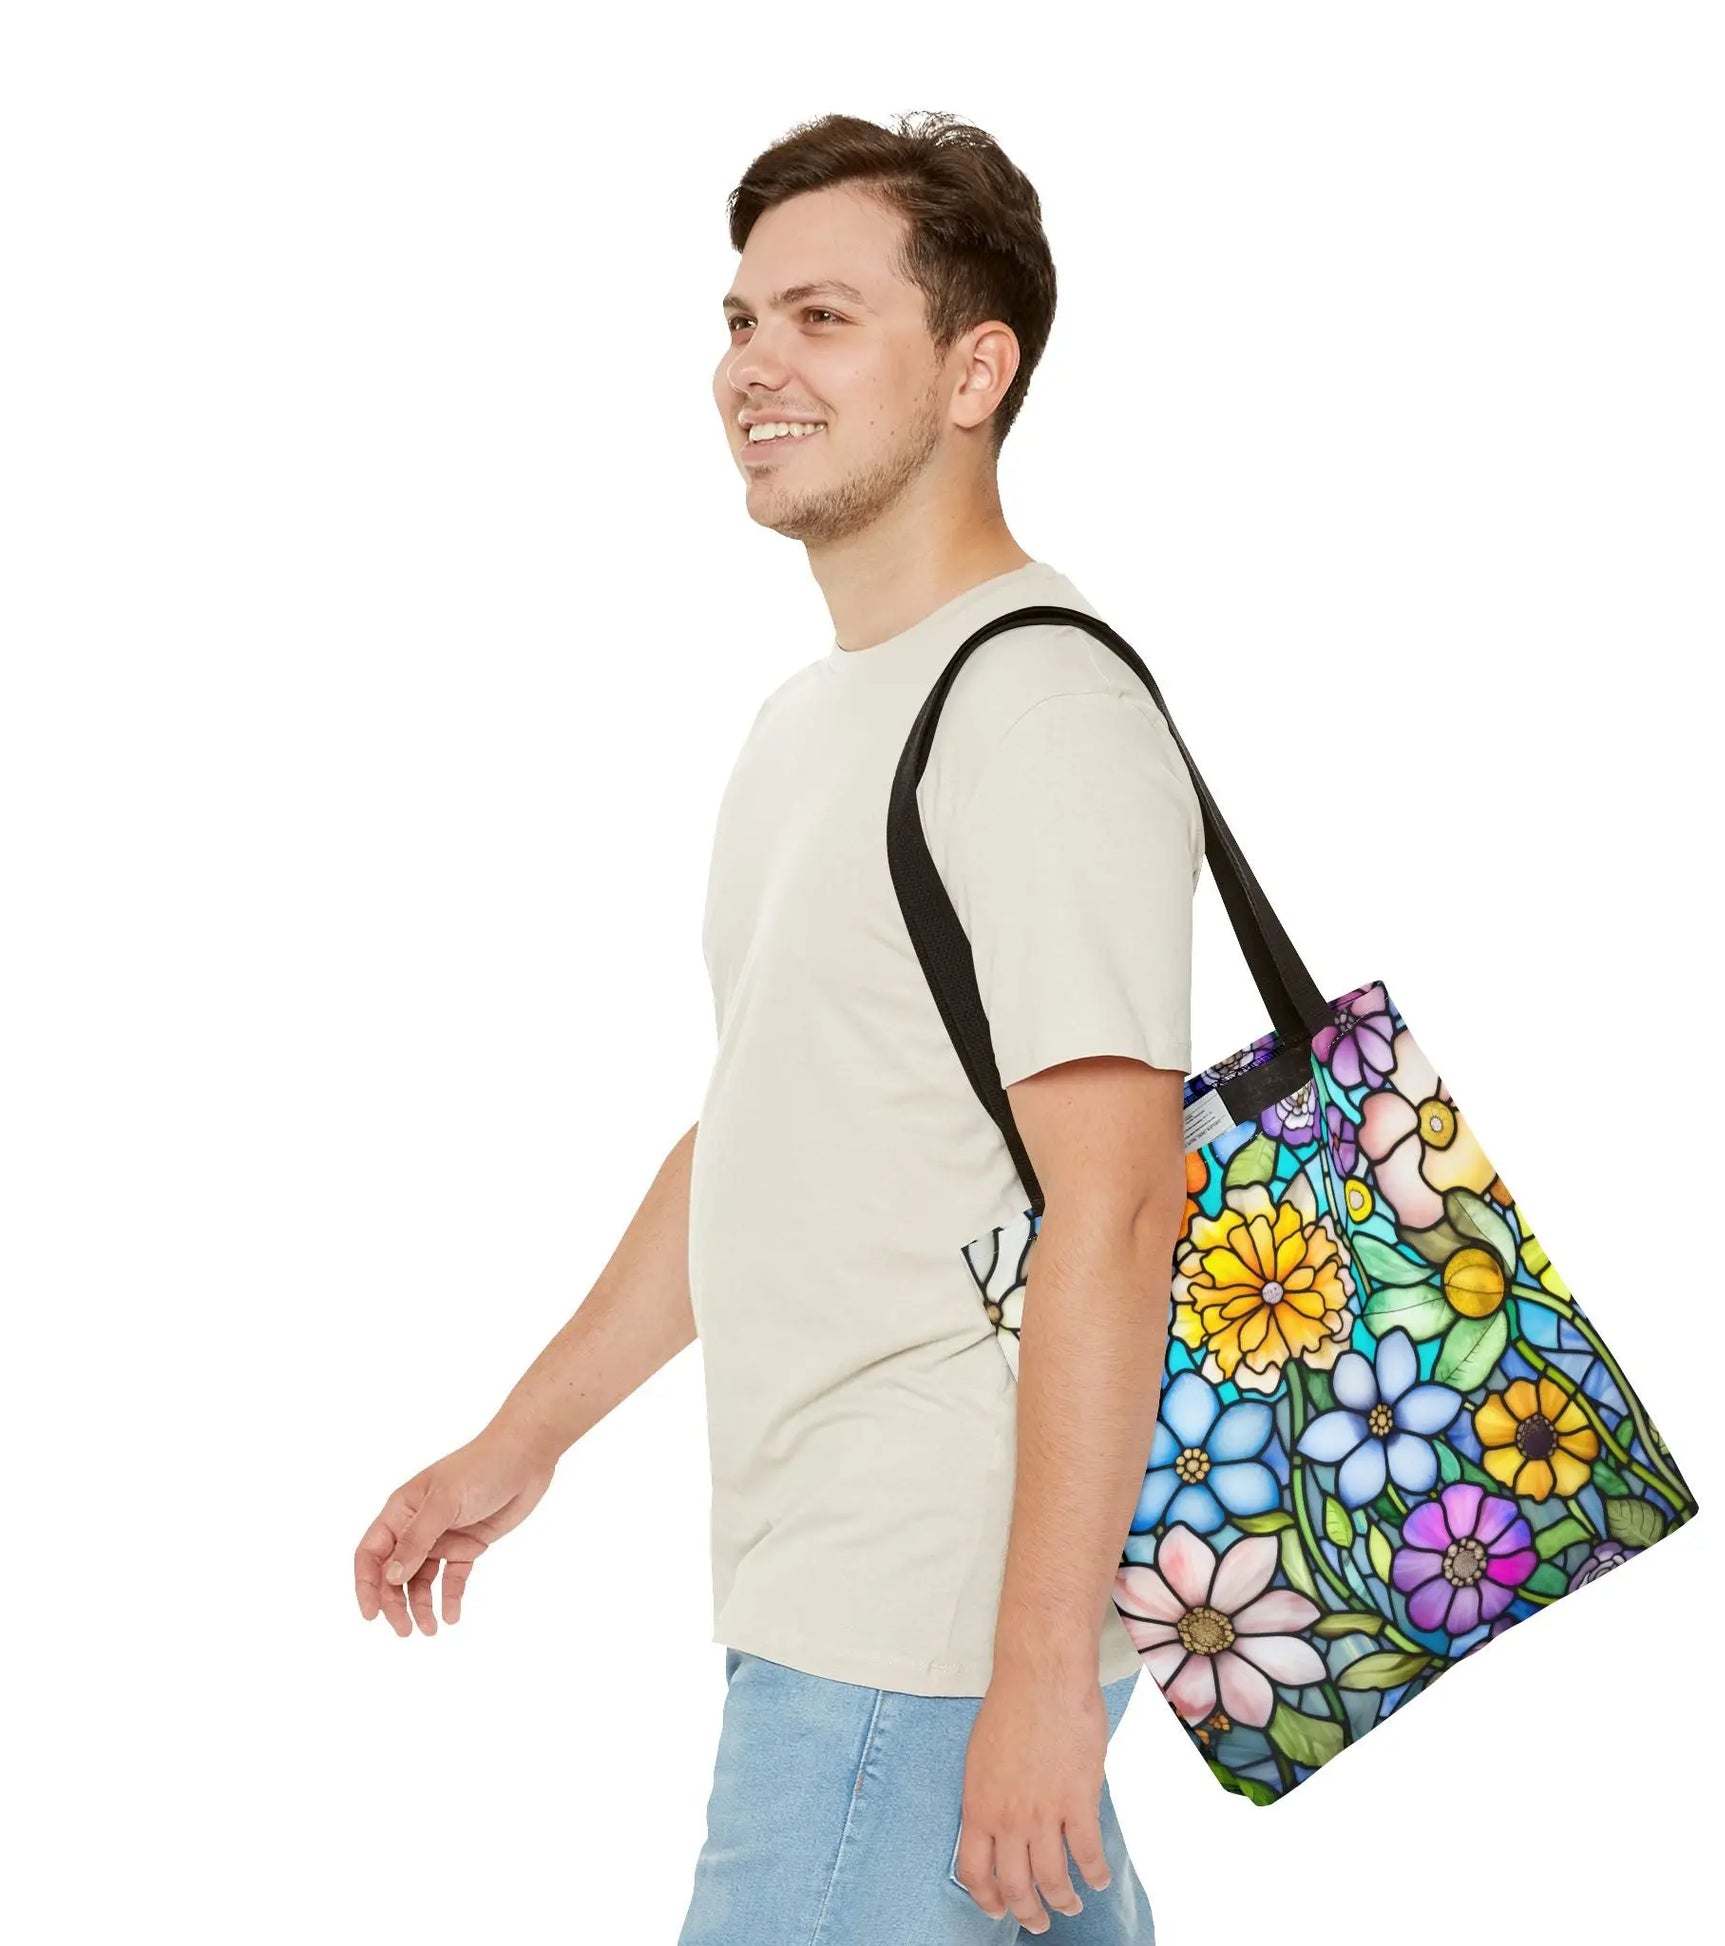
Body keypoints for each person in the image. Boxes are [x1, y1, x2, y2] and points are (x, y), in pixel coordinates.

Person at [353, 109, 1204, 1943]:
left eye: (823, 317)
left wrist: (1037, 1684)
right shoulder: (814, 721)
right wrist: (522, 1439)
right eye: (741, 319)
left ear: (975, 370)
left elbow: (1123, 1203)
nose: (754, 365)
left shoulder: (1034, 709)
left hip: (913, 1630)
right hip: (840, 1598)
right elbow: (765, 1132)